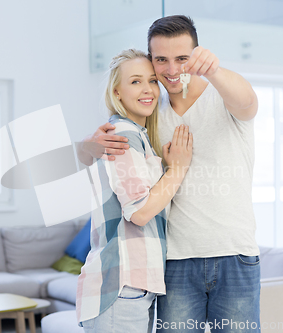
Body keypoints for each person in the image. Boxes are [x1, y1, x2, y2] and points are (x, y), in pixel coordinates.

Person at [78, 16, 261, 332]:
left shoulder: (224, 94)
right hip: (173, 260)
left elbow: (248, 104)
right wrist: (85, 148)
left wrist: (214, 70)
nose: (172, 69)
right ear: (152, 61)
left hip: (235, 254)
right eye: (161, 60)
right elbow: (117, 159)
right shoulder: (149, 109)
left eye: (182, 59)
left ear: (197, 55)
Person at [76, 48, 193, 333]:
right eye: (135, 81)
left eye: (153, 80)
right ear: (117, 93)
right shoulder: (122, 135)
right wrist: (177, 169)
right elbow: (139, 212)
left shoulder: (137, 136)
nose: (148, 89)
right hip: (122, 285)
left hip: (132, 285)